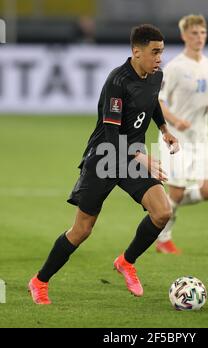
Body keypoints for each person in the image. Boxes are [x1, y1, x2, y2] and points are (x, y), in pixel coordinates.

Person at [28, 24, 179, 304]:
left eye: (162, 52)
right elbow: (111, 136)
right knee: (82, 230)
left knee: (162, 212)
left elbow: (152, 102)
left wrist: (164, 129)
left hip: (132, 156)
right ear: (136, 51)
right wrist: (141, 155)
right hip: (104, 158)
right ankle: (39, 281)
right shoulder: (117, 82)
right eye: (154, 52)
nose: (160, 58)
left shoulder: (156, 75)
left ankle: (126, 261)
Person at [156, 14, 208, 254]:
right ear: (184, 36)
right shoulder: (175, 67)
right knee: (177, 191)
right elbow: (159, 101)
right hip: (176, 139)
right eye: (194, 33)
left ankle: (163, 209)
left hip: (201, 138)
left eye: (202, 33)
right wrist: (175, 120)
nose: (199, 37)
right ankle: (163, 237)